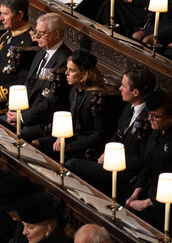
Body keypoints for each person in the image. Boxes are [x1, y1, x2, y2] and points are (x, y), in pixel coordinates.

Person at [66, 68, 153, 198]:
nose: (120, 89)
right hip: (111, 163)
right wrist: (106, 152)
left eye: (123, 86)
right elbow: (117, 134)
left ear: (135, 92)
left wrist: (112, 159)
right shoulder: (128, 108)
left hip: (125, 173)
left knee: (72, 165)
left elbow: (143, 159)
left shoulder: (150, 119)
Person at [4, 13, 72, 140]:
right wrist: (16, 109)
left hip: (43, 122)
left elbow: (51, 102)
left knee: (5, 131)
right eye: (36, 31)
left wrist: (22, 117)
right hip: (27, 113)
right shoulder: (42, 51)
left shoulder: (64, 60)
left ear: (56, 34)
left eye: (42, 33)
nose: (36, 36)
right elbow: (29, 83)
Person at [32, 50, 109, 161]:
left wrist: (70, 146)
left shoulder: (96, 98)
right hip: (70, 136)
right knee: (36, 143)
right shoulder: (74, 90)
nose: (66, 73)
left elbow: (99, 135)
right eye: (67, 69)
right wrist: (61, 136)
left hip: (83, 144)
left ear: (84, 74)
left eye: (71, 70)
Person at [125, 90, 172, 230]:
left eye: (156, 116)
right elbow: (145, 167)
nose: (150, 119)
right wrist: (135, 194)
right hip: (147, 191)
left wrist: (146, 203)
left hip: (164, 203)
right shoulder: (156, 131)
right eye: (149, 114)